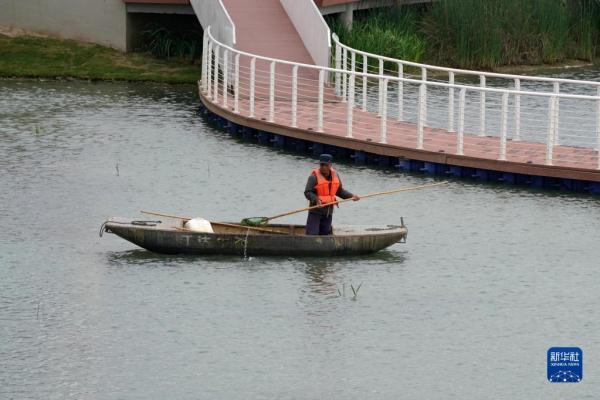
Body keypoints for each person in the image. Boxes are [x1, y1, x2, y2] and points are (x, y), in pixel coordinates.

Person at [304, 154, 359, 235]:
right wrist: (316, 200)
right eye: (321, 165)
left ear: (330, 165)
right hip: (315, 211)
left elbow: (339, 191)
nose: (323, 167)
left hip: (328, 212)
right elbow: (308, 192)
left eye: (325, 165)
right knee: (312, 234)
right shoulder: (313, 177)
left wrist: (351, 196)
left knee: (325, 234)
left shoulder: (335, 176)